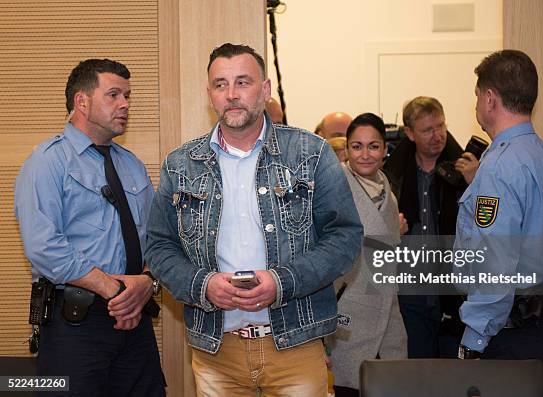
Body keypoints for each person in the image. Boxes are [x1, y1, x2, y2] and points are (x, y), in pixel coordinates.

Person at [145, 43, 363, 397]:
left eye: (243, 82)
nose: (231, 94)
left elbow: (344, 238)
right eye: (220, 85)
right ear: (210, 94)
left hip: (296, 343)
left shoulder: (311, 153)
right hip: (217, 350)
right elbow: (158, 245)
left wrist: (281, 282)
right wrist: (203, 285)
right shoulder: (180, 164)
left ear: (264, 89)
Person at [14, 59, 165, 396]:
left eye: (127, 96)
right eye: (114, 95)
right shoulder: (47, 161)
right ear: (81, 101)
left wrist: (146, 282)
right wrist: (113, 290)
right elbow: (43, 246)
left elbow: (159, 238)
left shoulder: (132, 165)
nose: (125, 104)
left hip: (134, 320)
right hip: (75, 325)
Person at [455, 50, 543, 397]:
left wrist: (473, 341)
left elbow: (495, 263)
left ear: (490, 99)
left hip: (508, 334)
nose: (476, 104)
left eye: (477, 95)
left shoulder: (499, 166)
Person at [383, 96, 479, 358]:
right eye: (428, 130)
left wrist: (475, 184)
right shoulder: (392, 174)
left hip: (454, 292)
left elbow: (487, 223)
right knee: (417, 375)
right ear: (410, 134)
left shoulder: (467, 169)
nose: (438, 135)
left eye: (441, 126)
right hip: (410, 293)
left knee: (452, 377)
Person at [328, 113, 407, 397]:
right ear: (346, 149)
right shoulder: (333, 185)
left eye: (373, 146)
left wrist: (393, 234)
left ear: (385, 149)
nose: (365, 154)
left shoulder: (387, 188)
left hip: (388, 315)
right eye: (356, 146)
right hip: (348, 317)